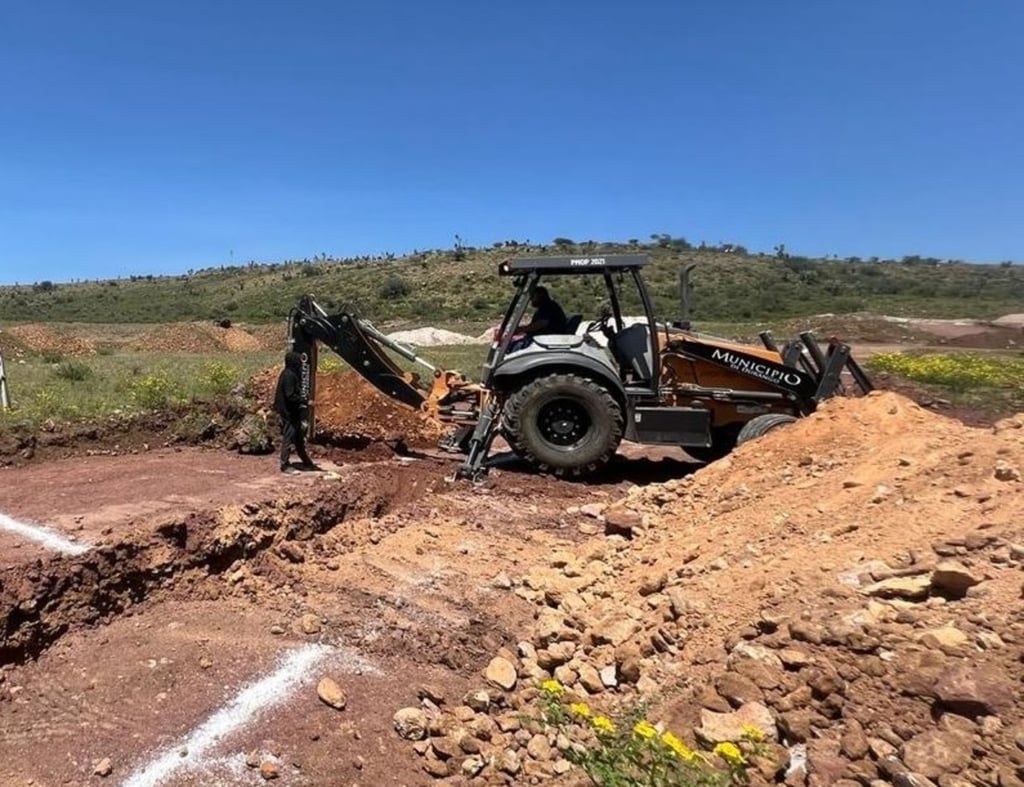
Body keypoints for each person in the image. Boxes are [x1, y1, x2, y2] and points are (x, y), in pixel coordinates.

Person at [274, 351, 319, 473]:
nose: (300, 364)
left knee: (298, 437)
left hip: (292, 411)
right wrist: (306, 401)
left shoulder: (288, 373)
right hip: (288, 412)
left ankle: (306, 462)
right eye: (298, 361)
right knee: (288, 437)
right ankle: (285, 465)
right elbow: (290, 395)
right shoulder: (289, 376)